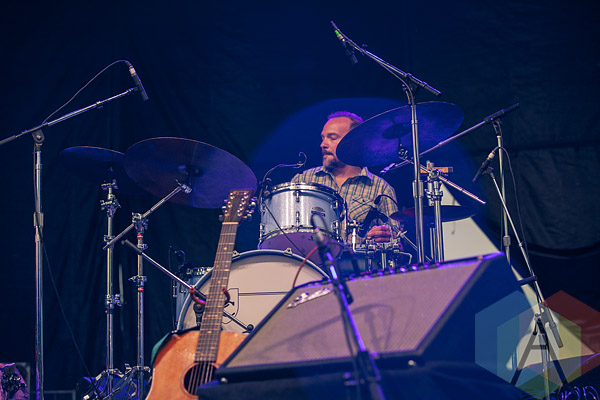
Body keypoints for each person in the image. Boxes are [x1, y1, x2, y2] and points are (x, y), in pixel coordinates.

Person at [292, 111, 399, 244]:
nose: (323, 144)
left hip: (356, 257)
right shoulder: (303, 180)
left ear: (354, 142)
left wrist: (385, 238)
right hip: (308, 256)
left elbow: (396, 243)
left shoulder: (381, 189)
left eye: (332, 138)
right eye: (323, 138)